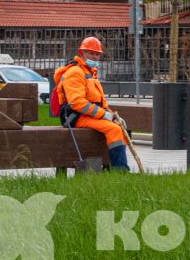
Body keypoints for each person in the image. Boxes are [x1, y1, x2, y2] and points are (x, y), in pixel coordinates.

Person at [55, 36, 134, 171]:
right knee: (113, 129)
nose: (95, 57)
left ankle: (111, 168)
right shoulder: (75, 72)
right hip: (75, 116)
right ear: (81, 53)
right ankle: (120, 171)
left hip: (86, 115)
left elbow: (100, 102)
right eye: (91, 53)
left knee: (117, 126)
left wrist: (111, 115)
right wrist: (104, 115)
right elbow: (77, 103)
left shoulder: (90, 73)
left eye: (97, 54)